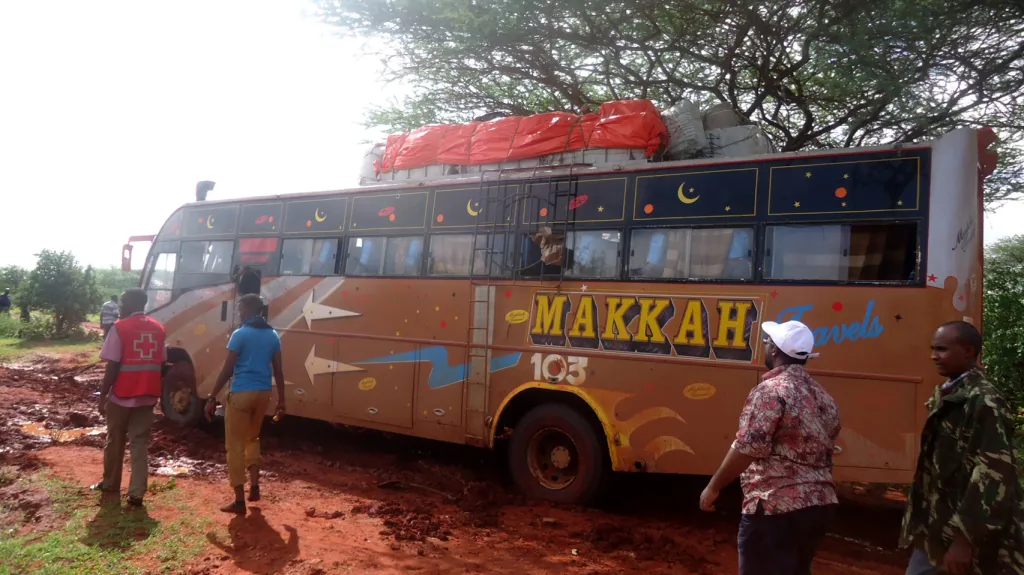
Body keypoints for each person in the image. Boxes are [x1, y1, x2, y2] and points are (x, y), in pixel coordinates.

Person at [700, 320, 840, 575]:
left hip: (775, 506)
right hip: (820, 504)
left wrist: (714, 486)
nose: (764, 345)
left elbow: (748, 447)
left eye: (767, 342)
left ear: (774, 350)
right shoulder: (824, 397)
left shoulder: (770, 391)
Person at [900, 321, 1024, 575]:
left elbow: (993, 475)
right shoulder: (950, 393)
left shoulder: (985, 402)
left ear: (968, 351)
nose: (933, 356)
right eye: (933, 348)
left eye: (942, 349)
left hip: (964, 536)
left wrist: (963, 540)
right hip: (937, 528)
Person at [204, 293, 286, 514]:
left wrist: (212, 397)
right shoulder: (272, 335)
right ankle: (255, 485)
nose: (239, 313)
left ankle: (239, 501)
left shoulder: (240, 334)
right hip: (264, 393)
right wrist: (282, 401)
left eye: (241, 309)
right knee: (253, 437)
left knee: (235, 446)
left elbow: (227, 369)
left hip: (241, 393)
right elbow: (278, 369)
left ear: (249, 310)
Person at [91, 289, 166, 507]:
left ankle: (111, 483)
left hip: (121, 395)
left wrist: (103, 395)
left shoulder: (120, 328)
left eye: (123, 301)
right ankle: (136, 493)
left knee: (115, 440)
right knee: (139, 444)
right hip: (148, 395)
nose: (120, 306)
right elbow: (161, 363)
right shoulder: (159, 328)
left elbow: (112, 365)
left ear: (131, 303)